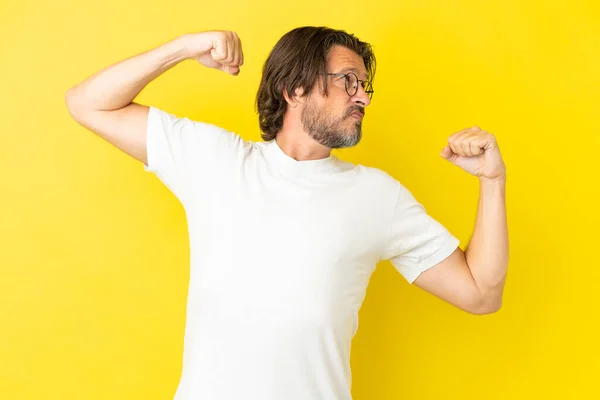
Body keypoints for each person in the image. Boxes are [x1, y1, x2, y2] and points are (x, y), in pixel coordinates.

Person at [65, 26, 508, 400]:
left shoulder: (378, 197)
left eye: (365, 87)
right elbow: (87, 102)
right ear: (295, 88)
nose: (364, 99)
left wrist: (491, 183)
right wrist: (183, 47)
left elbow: (480, 293)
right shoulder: (214, 160)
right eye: (349, 81)